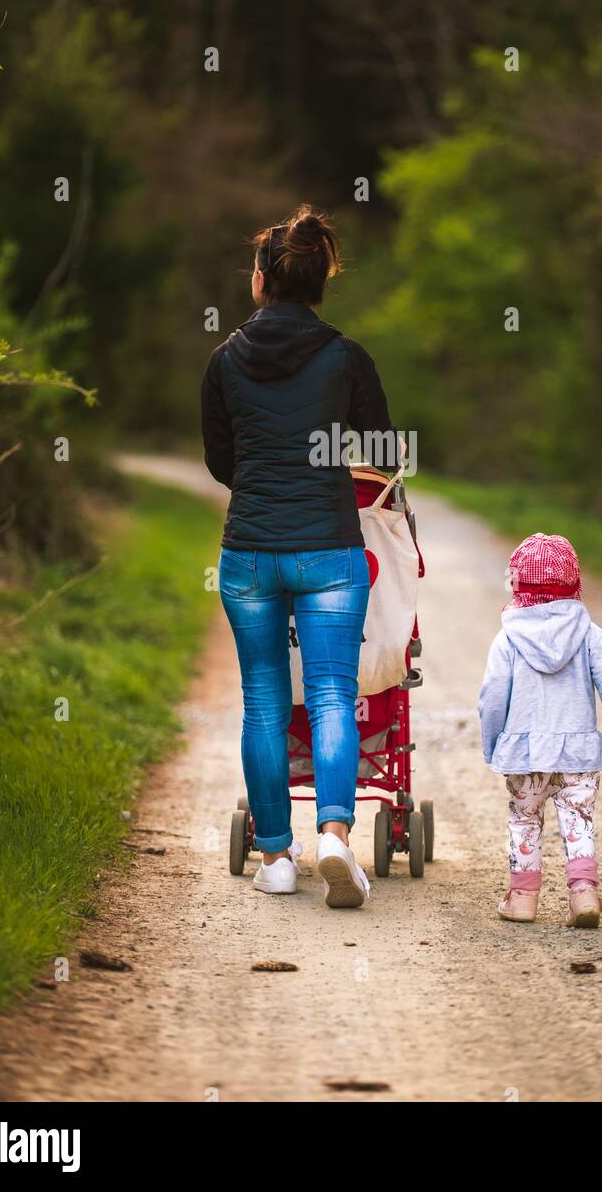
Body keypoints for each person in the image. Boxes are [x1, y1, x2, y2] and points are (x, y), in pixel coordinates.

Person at [201, 205, 398, 908]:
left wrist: (266, 482)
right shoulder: (346, 357)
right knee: (330, 696)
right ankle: (338, 837)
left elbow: (222, 463)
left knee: (261, 701)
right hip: (329, 553)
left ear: (261, 281)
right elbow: (383, 457)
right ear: (321, 281)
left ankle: (277, 858)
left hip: (249, 554)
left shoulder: (224, 359)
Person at [477, 532, 602, 927]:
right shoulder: (590, 635)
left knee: (524, 820)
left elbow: (492, 698)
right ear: (574, 584)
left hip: (526, 756)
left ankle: (521, 898)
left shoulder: (508, 639)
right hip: (579, 755)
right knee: (578, 820)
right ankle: (584, 894)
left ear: (517, 584)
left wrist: (492, 748)